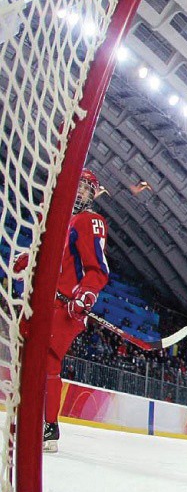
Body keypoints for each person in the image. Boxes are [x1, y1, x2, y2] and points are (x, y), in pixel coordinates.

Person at [42, 169, 111, 452]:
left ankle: (49, 426)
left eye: (87, 187)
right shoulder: (61, 220)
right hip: (46, 302)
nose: (81, 191)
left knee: (46, 363)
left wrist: (85, 294)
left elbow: (98, 268)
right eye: (78, 185)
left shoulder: (90, 220)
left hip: (64, 307)